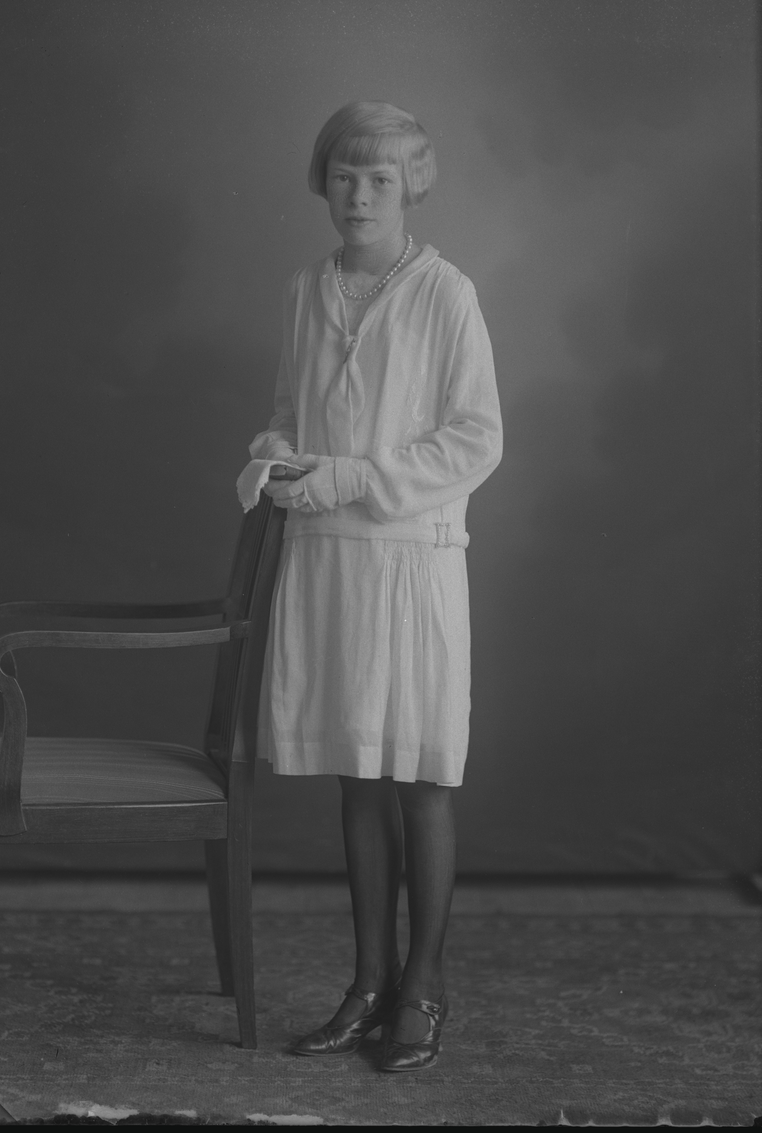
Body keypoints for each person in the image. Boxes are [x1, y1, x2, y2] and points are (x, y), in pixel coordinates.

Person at [243, 100, 502, 1072]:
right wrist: (277, 455)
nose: (359, 196)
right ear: (325, 183)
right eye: (345, 177)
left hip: (410, 557)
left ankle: (423, 987)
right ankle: (367, 982)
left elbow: (475, 439)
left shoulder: (444, 293)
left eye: (379, 180)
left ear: (410, 187)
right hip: (330, 560)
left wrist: (355, 476)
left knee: (420, 780)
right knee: (359, 776)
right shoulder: (304, 290)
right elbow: (288, 410)